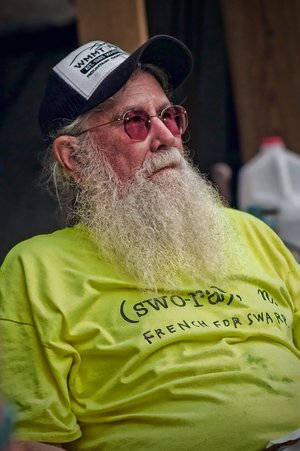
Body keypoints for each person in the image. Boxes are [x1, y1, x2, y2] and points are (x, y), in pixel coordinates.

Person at [0, 34, 299, 451]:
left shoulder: (252, 233)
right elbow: (32, 439)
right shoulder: (36, 269)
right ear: (74, 158)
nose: (166, 136)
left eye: (169, 115)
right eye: (135, 121)